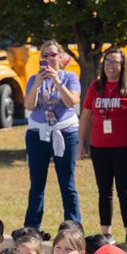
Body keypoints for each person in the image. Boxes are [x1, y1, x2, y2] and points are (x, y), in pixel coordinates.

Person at [77, 49, 127, 250]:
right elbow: (85, 117)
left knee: (124, 191)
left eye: (115, 62)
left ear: (122, 66)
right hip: (99, 147)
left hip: (124, 148)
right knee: (104, 192)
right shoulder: (95, 87)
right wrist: (81, 143)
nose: (111, 66)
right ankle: (106, 233)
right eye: (107, 61)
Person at [23, 40, 82, 229]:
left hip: (65, 132)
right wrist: (37, 84)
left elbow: (71, 101)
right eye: (45, 55)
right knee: (36, 185)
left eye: (53, 55)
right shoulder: (34, 79)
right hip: (38, 133)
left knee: (67, 185)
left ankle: (72, 228)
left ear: (61, 56)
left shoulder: (70, 77)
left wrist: (57, 81)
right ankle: (32, 230)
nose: (49, 59)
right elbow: (29, 106)